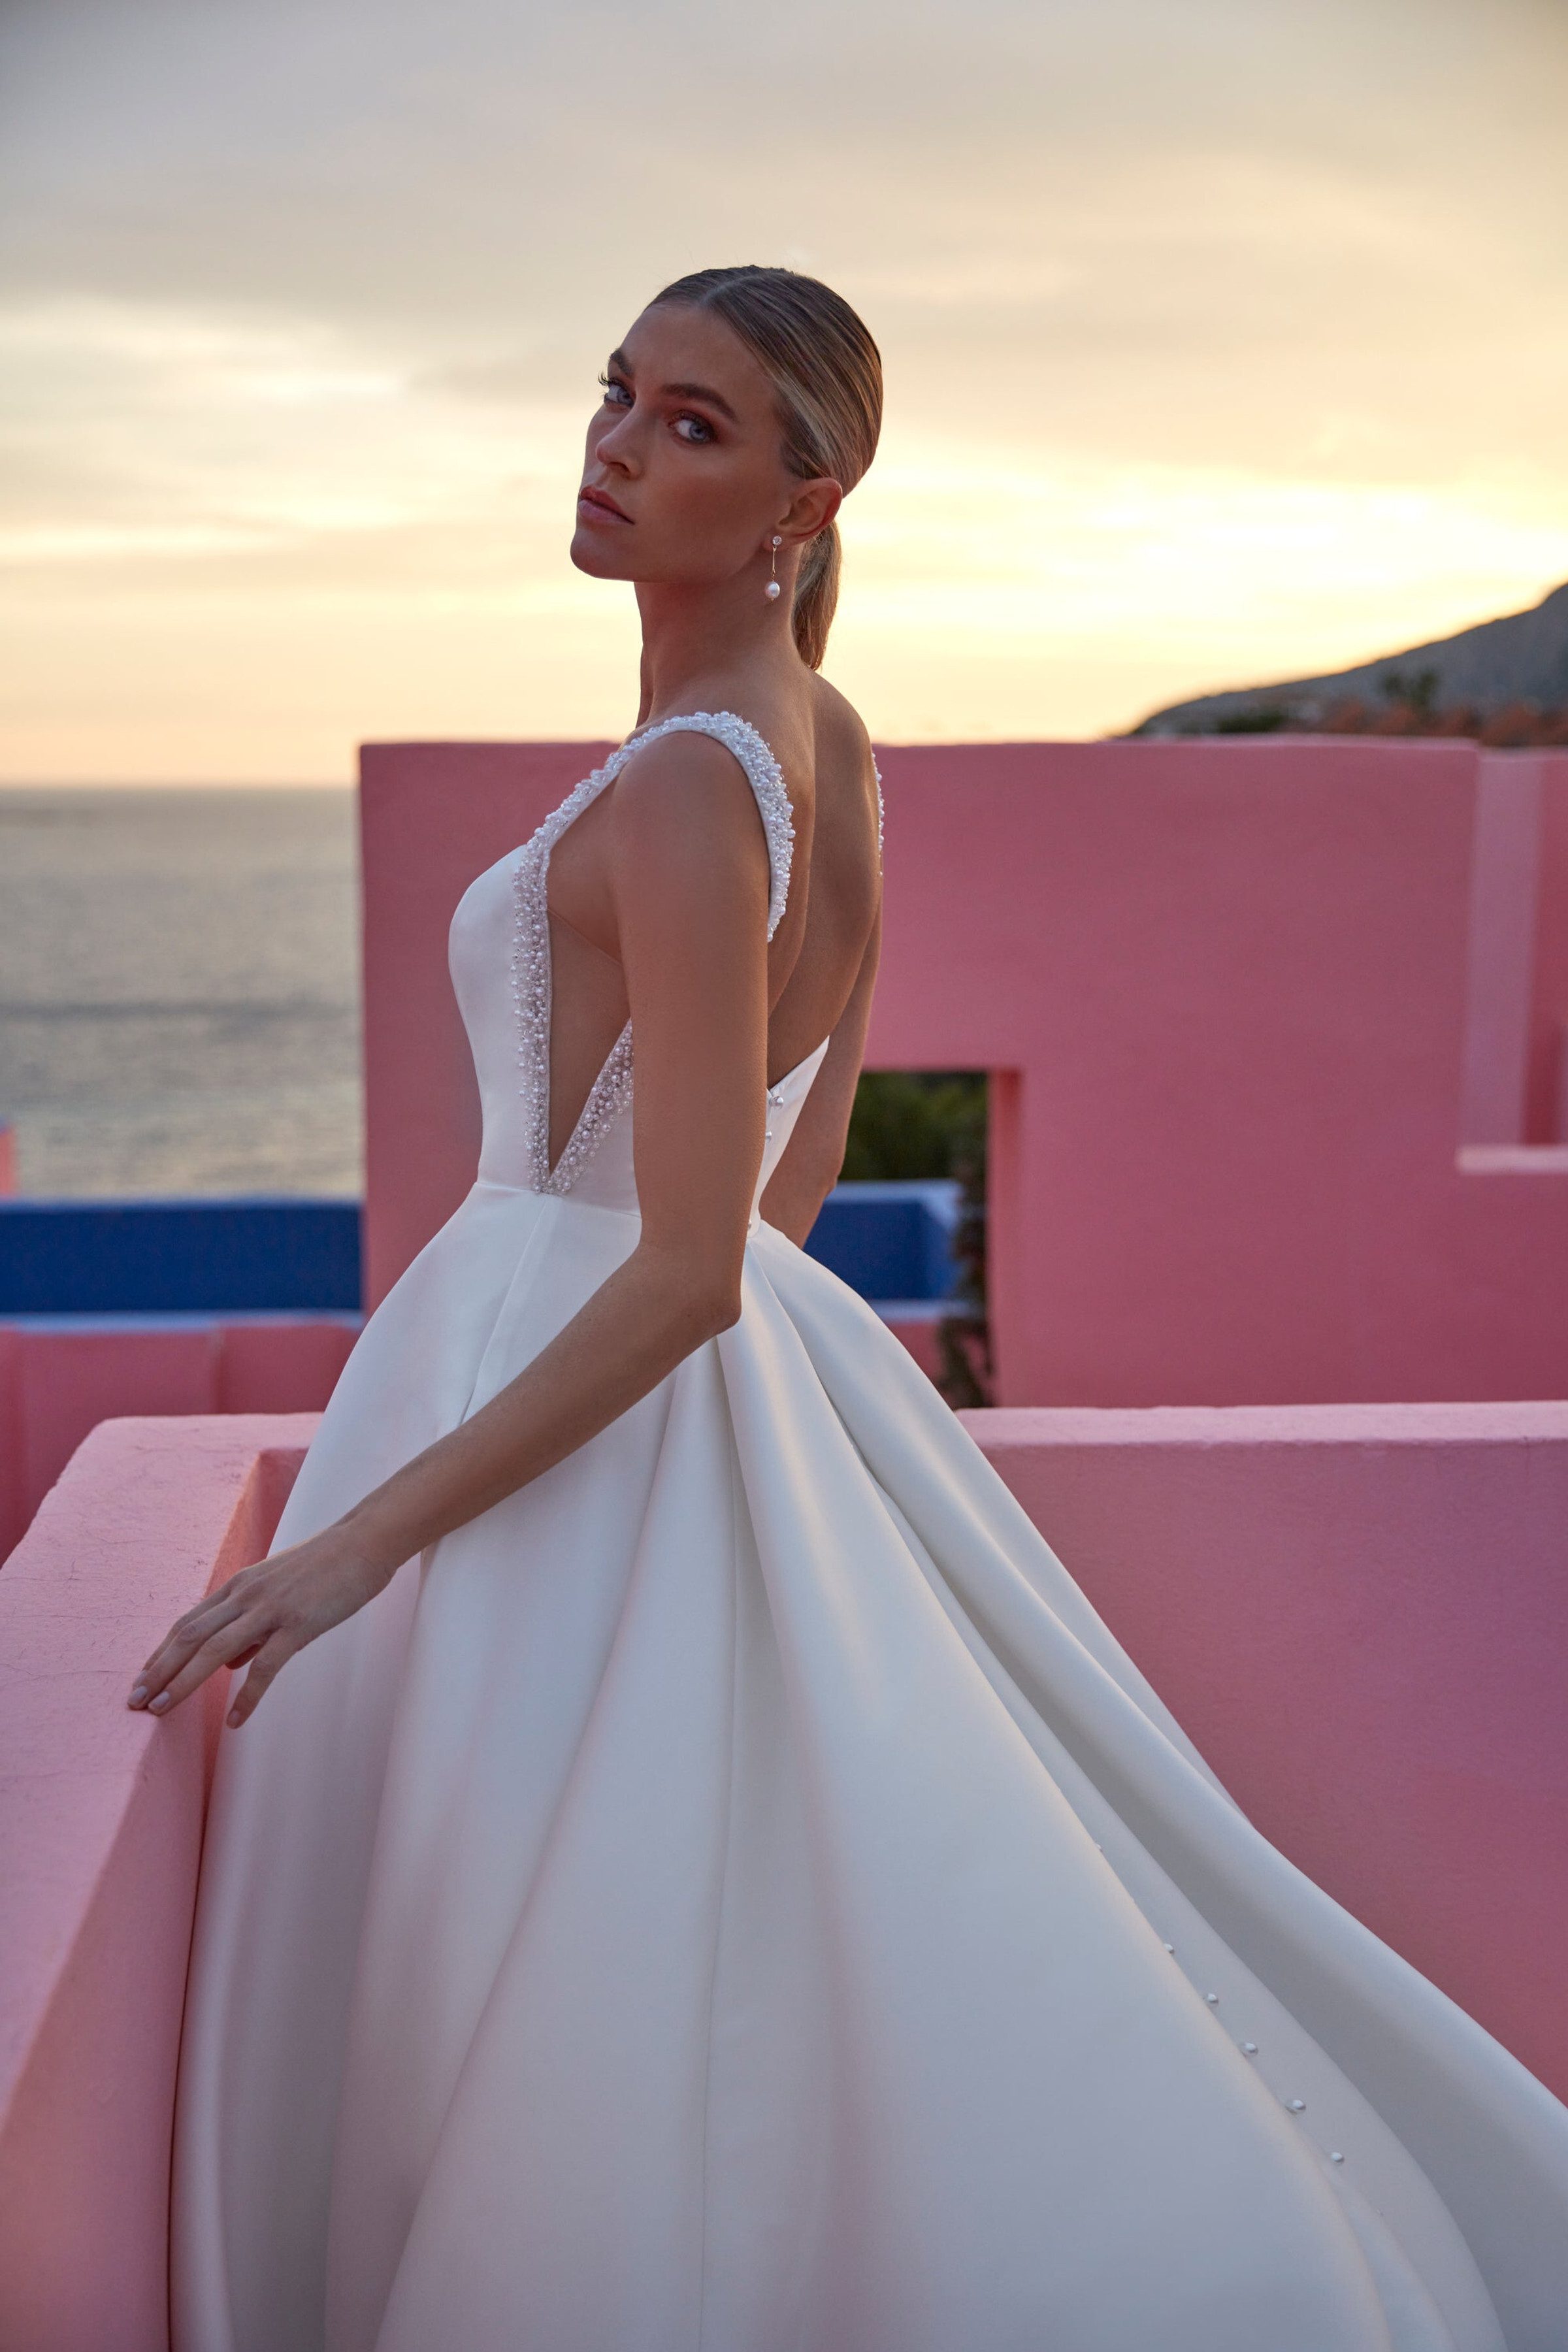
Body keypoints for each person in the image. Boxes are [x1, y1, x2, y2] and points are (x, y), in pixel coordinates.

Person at [137, 265, 1568, 2352]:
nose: (620, 446)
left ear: (806, 505)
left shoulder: (696, 793)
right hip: (662, 1386)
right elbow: (790, 1191)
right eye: (619, 396)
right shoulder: (828, 745)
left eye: (695, 425)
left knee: (566, 1962)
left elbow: (698, 1267)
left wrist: (360, 1542)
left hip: (557, 1360)